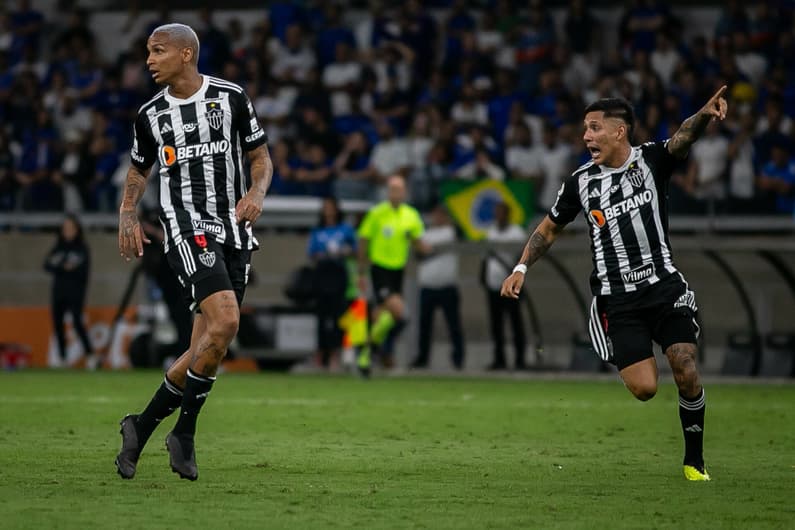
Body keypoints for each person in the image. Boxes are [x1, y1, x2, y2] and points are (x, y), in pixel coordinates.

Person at [501, 87, 729, 482]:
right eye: (585, 129)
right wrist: (521, 267)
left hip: (665, 289)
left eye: (594, 128)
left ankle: (694, 462)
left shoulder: (652, 160)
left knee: (685, 367)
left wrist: (705, 114)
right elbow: (549, 228)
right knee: (644, 389)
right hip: (618, 299)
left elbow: (683, 137)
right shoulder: (580, 182)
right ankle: (607, 329)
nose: (586, 137)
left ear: (619, 131)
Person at [115, 23, 272, 481]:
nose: (149, 59)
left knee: (208, 345)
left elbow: (260, 156)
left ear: (186, 54)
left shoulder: (231, 98)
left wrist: (258, 192)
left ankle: (140, 428)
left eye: (158, 50)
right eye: (147, 51)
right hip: (186, 229)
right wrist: (127, 211)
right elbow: (139, 170)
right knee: (226, 322)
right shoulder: (150, 115)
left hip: (234, 229)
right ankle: (183, 434)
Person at [356, 174, 430, 375]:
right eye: (392, 189)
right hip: (380, 269)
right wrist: (361, 272)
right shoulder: (377, 213)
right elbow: (363, 240)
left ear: (405, 192)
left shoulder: (411, 215)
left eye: (399, 189)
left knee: (382, 317)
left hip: (398, 270)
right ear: (388, 192)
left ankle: (365, 354)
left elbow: (418, 241)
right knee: (399, 313)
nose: (396, 193)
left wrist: (426, 247)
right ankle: (380, 351)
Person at [412, 204, 464, 370]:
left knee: (454, 325)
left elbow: (463, 233)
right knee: (424, 325)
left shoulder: (451, 232)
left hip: (447, 286)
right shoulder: (424, 233)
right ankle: (422, 357)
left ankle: (458, 358)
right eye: (436, 214)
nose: (438, 218)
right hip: (428, 287)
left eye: (442, 215)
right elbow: (417, 253)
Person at [307, 197, 357, 368]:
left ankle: (336, 352)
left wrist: (344, 251)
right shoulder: (318, 230)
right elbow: (312, 253)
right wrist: (322, 254)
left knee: (338, 315)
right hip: (322, 274)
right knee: (322, 316)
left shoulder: (345, 229)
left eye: (331, 207)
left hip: (338, 273)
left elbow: (355, 249)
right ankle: (321, 353)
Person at [44, 213, 93, 367]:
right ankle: (62, 357)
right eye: (65, 228)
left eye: (71, 228)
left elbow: (81, 270)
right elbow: (47, 265)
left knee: (77, 322)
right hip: (59, 291)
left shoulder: (81, 248)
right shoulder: (59, 247)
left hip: (75, 292)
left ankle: (90, 355)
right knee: (58, 324)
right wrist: (64, 267)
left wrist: (61, 267)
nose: (68, 231)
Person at [483, 201, 528, 370]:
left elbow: (521, 258)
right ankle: (499, 359)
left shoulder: (516, 233)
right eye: (496, 212)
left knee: (516, 322)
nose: (498, 215)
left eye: (501, 212)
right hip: (493, 285)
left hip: (510, 286)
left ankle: (520, 359)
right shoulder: (491, 231)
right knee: (496, 324)